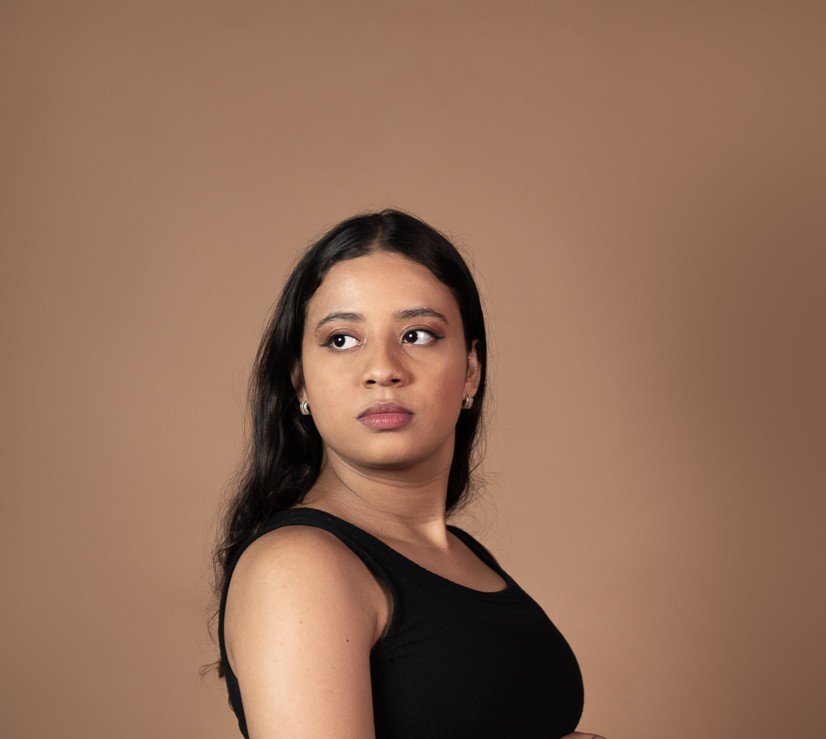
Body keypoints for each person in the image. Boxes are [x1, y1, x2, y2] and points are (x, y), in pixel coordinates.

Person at [213, 209, 606, 739]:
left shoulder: (460, 553)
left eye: (418, 334)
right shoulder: (298, 566)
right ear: (299, 380)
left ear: (471, 371)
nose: (383, 369)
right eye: (342, 340)